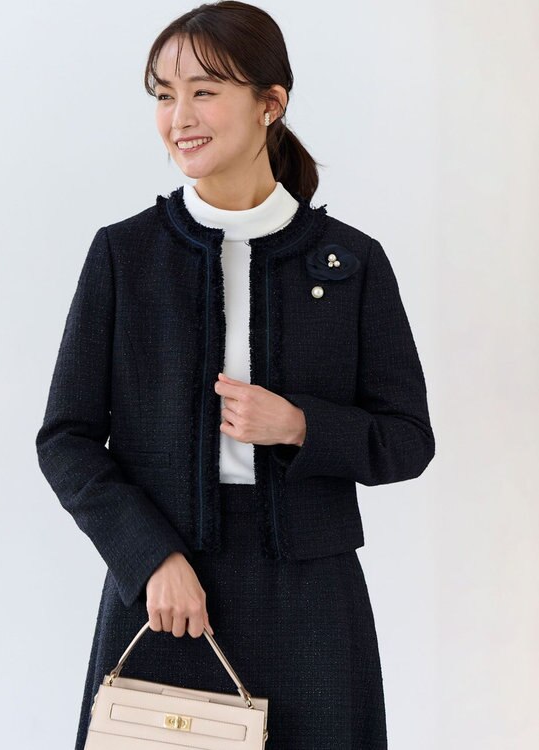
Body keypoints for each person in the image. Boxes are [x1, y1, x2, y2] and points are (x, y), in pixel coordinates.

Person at [35, 2, 436, 748]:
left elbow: (408, 440)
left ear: (269, 103)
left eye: (204, 91)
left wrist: (302, 426)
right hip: (166, 591)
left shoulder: (352, 262)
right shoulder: (125, 255)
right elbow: (66, 440)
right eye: (164, 95)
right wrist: (149, 558)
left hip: (313, 598)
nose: (179, 117)